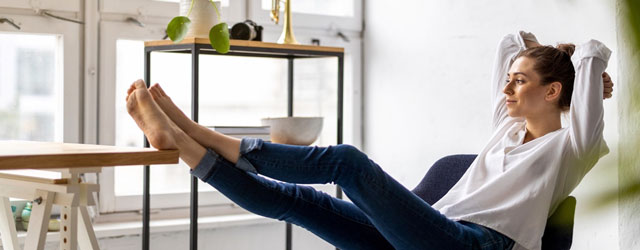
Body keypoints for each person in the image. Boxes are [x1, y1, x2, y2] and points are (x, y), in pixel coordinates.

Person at [125, 31, 614, 250]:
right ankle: (187, 147)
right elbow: (511, 42)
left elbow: (590, 58)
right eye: (508, 80)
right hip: (434, 232)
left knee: (348, 163)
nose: (507, 89)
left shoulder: (571, 148)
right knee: (300, 202)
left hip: (474, 246)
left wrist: (589, 71)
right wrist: (545, 59)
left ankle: (198, 133)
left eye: (520, 82)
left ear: (553, 92)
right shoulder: (505, 130)